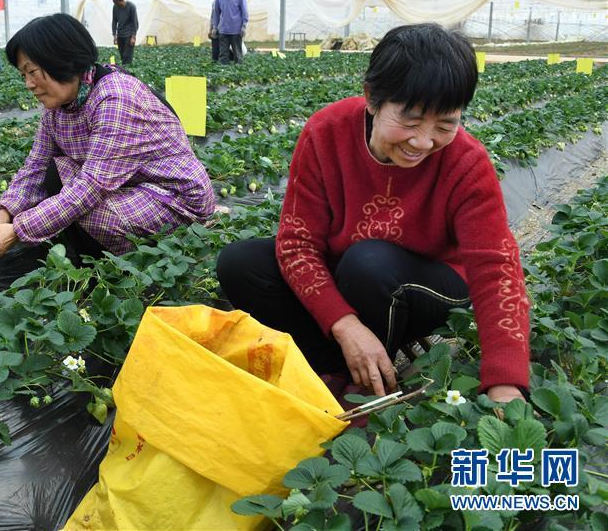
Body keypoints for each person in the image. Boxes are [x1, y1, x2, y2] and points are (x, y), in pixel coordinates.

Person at [216, 23, 530, 404]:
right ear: (371, 97)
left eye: (445, 124)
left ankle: (365, 388)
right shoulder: (325, 133)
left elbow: (497, 269)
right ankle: (335, 364)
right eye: (410, 121)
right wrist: (346, 326)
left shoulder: (466, 162)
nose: (423, 141)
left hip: (427, 284)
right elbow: (297, 244)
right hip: (352, 274)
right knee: (241, 263)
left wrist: (505, 380)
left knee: (368, 262)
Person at [0, 13, 215, 269]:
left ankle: (110, 267)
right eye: (23, 74)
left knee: (84, 209)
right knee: (51, 175)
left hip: (174, 198)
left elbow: (91, 186)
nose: (28, 84)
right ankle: (91, 257)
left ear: (62, 60)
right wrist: (1, 218)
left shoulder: (115, 98)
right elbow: (35, 167)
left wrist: (17, 230)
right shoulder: (57, 107)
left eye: (32, 71)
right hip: (128, 186)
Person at [210, 0, 248, 65]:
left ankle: (238, 74)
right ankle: (224, 74)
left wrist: (244, 26)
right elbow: (217, 13)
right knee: (223, 55)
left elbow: (244, 11)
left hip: (236, 30)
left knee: (238, 55)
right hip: (223, 30)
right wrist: (215, 27)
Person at [110, 0, 138, 65]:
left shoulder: (131, 7)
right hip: (120, 35)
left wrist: (133, 36)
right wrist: (114, 35)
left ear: (120, 0)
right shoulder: (115, 7)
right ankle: (125, 71)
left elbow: (134, 22)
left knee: (127, 56)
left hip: (128, 35)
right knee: (122, 56)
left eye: (115, 2)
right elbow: (114, 21)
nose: (114, 4)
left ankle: (128, 72)